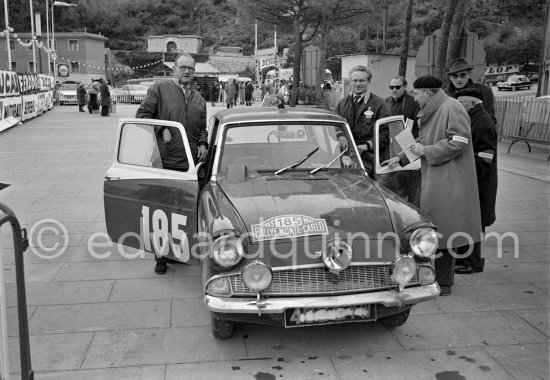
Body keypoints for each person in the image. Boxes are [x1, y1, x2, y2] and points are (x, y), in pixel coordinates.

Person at [383, 75, 482, 296]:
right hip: (438, 178)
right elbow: (421, 142)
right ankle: (435, 277)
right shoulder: (438, 108)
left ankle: (444, 283)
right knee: (435, 231)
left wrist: (426, 152)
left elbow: (460, 142)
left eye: (417, 93)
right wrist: (400, 158)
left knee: (445, 232)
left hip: (448, 180)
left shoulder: (451, 107)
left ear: (428, 92)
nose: (415, 97)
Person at [136, 52, 208, 275]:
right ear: (174, 69)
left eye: (191, 68)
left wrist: (204, 142)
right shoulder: (159, 89)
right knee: (162, 212)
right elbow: (141, 116)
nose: (187, 71)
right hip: (164, 161)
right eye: (183, 67)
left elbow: (202, 127)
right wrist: (162, 129)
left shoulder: (199, 99)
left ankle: (178, 252)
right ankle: (161, 257)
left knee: (183, 211)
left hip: (189, 165)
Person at [455, 88, 498, 274]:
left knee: (476, 222)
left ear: (472, 103)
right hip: (473, 180)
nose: (458, 106)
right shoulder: (474, 118)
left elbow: (485, 159)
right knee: (469, 220)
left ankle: (474, 262)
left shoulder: (484, 123)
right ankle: (465, 258)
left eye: (461, 103)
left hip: (479, 182)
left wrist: (468, 177)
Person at [334, 65, 390, 176]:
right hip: (345, 154)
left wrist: (366, 146)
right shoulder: (342, 103)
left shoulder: (380, 104)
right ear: (350, 81)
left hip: (370, 157)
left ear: (368, 81)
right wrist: (341, 135)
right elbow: (335, 124)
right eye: (355, 80)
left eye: (362, 80)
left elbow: (385, 134)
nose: (358, 84)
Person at [383, 75, 422, 206]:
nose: (394, 90)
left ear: (405, 87)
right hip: (389, 147)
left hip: (408, 148)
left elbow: (418, 127)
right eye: (391, 87)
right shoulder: (386, 102)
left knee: (410, 186)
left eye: (398, 87)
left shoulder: (413, 103)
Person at [446, 57, 496, 124]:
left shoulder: (484, 91)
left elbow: (490, 119)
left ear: (469, 74)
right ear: (450, 77)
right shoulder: (444, 95)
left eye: (463, 75)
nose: (459, 79)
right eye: (455, 76)